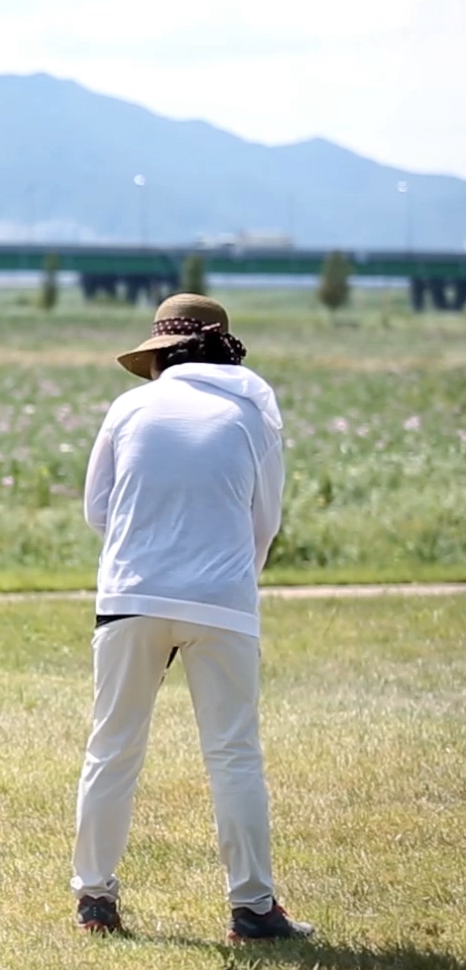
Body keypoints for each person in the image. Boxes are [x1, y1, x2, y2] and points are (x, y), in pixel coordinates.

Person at [73, 294, 313, 942]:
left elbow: (98, 509)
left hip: (131, 594)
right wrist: (229, 580)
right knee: (234, 754)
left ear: (161, 354)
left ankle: (95, 898)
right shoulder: (253, 408)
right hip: (223, 597)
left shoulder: (129, 407)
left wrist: (147, 557)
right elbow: (266, 519)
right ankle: (253, 908)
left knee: (112, 746)